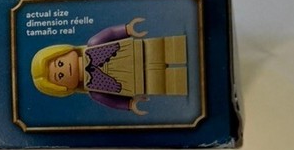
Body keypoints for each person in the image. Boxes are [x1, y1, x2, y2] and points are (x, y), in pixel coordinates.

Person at [30, 17, 188, 115]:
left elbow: (111, 33)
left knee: (175, 48)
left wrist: (127, 29)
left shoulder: (94, 43)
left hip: (144, 50)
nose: (65, 69)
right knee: (177, 82)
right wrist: (130, 104)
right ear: (65, 89)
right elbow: (113, 102)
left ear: (63, 51)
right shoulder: (96, 93)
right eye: (60, 76)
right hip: (145, 82)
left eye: (60, 63)